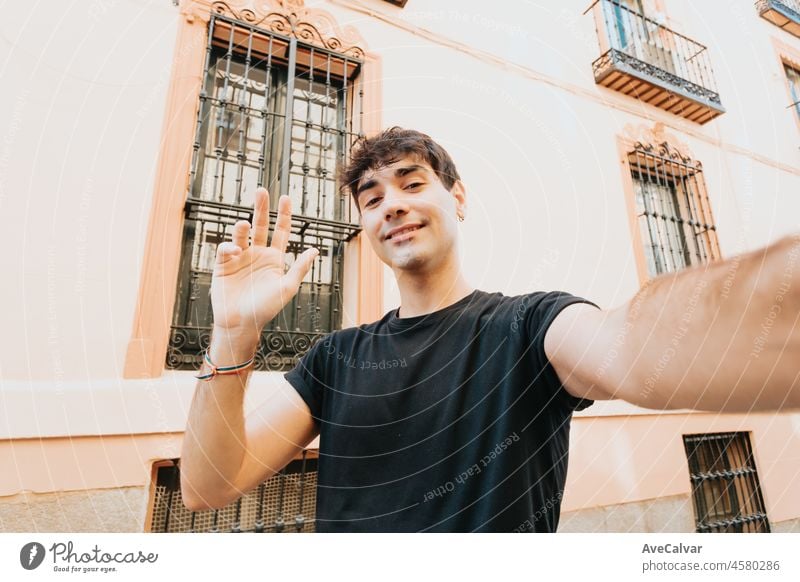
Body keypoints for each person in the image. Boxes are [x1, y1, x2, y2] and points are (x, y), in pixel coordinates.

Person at [180, 127, 800, 532]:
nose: (391, 204)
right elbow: (208, 484)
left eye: (412, 183)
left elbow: (633, 349)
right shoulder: (335, 359)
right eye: (371, 199)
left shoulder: (529, 327)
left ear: (460, 199)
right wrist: (233, 331)